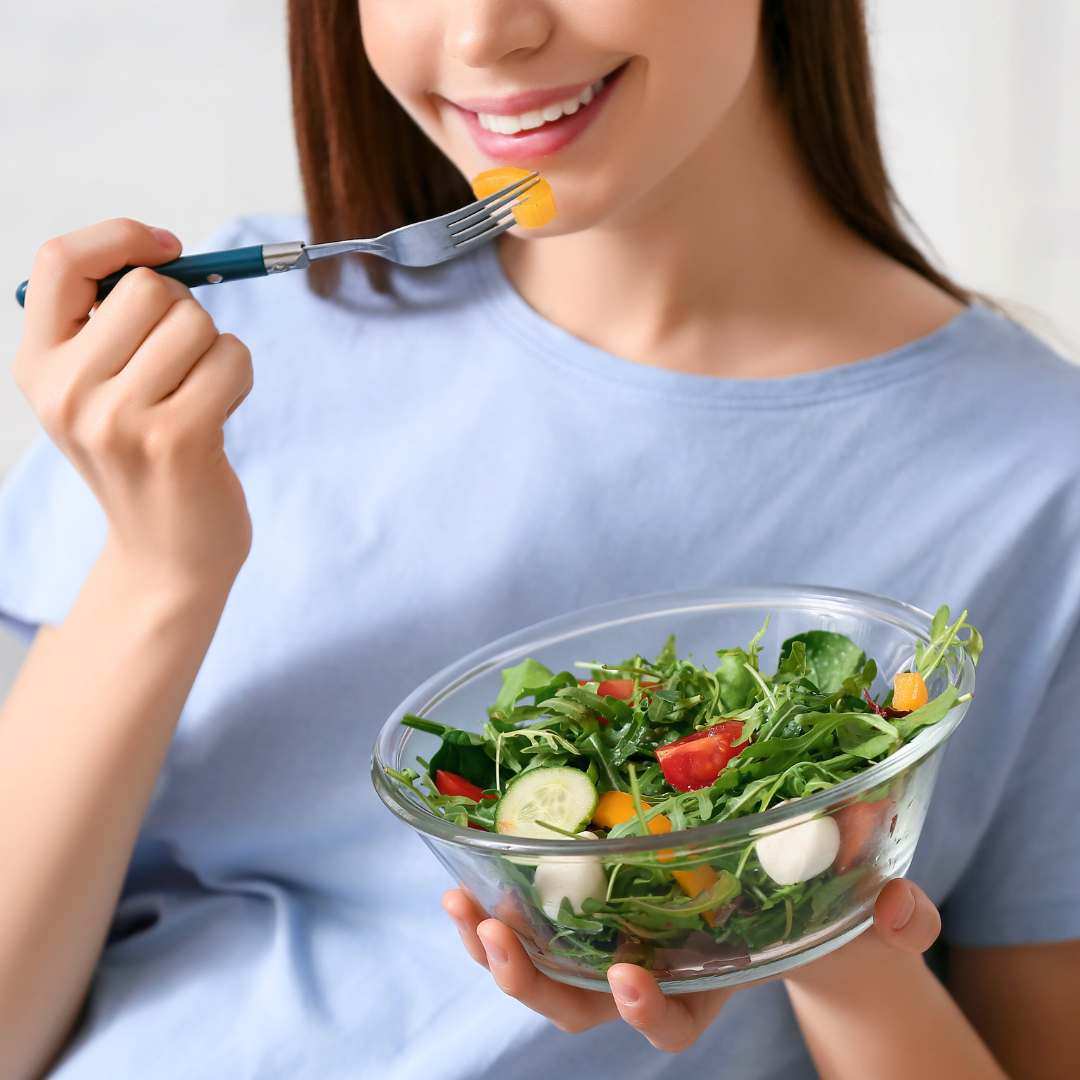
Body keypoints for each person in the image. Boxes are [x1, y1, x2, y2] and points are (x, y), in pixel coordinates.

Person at [1, 0, 1079, 1077]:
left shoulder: (1039, 475)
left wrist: (806, 920)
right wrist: (159, 570)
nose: (483, 35)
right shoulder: (201, 366)